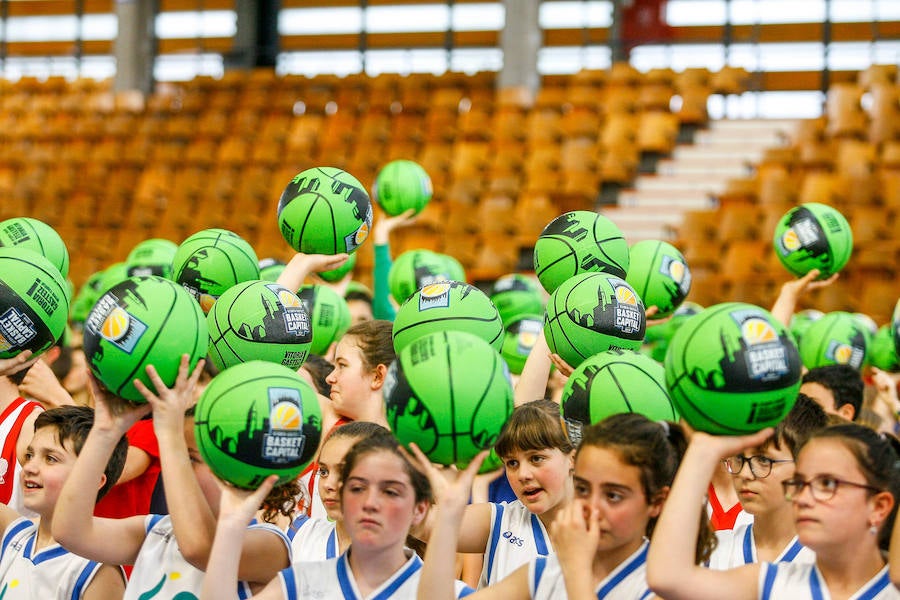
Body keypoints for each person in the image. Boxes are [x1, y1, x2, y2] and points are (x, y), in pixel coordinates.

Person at [52, 356, 293, 598]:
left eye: (190, 458)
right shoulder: (158, 530)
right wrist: (105, 430)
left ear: (233, 469)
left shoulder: (270, 543)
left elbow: (199, 548)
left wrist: (169, 432)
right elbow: (69, 531)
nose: (174, 468)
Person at [415, 412, 706, 599]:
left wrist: (576, 568)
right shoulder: (546, 571)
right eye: (583, 489)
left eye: (613, 495)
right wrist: (451, 513)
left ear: (656, 503)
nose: (591, 506)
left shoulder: (666, 585)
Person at [202, 430, 474, 599]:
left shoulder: (450, 593)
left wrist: (449, 517)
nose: (370, 502)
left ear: (420, 510)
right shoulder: (300, 582)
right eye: (357, 487)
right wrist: (230, 524)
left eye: (390, 491)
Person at [647, 423, 900, 599]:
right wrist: (703, 449)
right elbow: (667, 578)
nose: (804, 498)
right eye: (800, 483)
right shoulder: (769, 581)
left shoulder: (892, 589)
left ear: (879, 507)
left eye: (827, 484)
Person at [0, 405, 128, 598]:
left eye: (50, 459)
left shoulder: (98, 568)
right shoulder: (15, 535)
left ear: (93, 479)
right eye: (29, 455)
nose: (29, 467)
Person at [707, 395, 827, 568]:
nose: (745, 474)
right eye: (739, 458)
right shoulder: (714, 551)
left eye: (764, 460)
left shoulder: (831, 561)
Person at [300, 319, 395, 517]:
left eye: (342, 365)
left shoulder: (415, 452)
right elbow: (271, 371)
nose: (330, 378)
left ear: (377, 376)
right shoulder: (328, 421)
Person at [288, 421, 390, 561]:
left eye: (344, 472)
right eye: (323, 471)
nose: (328, 484)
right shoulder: (300, 534)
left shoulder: (409, 571)